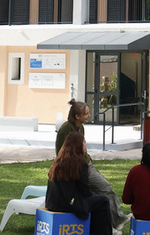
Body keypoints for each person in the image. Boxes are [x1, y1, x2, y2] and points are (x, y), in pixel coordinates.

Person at [56, 99, 130, 230]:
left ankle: (116, 221)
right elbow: (60, 152)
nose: (89, 116)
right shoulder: (66, 128)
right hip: (77, 167)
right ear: (77, 116)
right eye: (86, 114)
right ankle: (114, 222)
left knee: (104, 190)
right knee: (102, 190)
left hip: (85, 164)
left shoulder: (81, 127)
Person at [46, 132, 113, 235]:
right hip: (68, 204)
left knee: (97, 199)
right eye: (84, 142)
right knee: (103, 201)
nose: (85, 145)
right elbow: (85, 192)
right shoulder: (80, 163)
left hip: (52, 203)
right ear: (77, 145)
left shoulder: (58, 161)